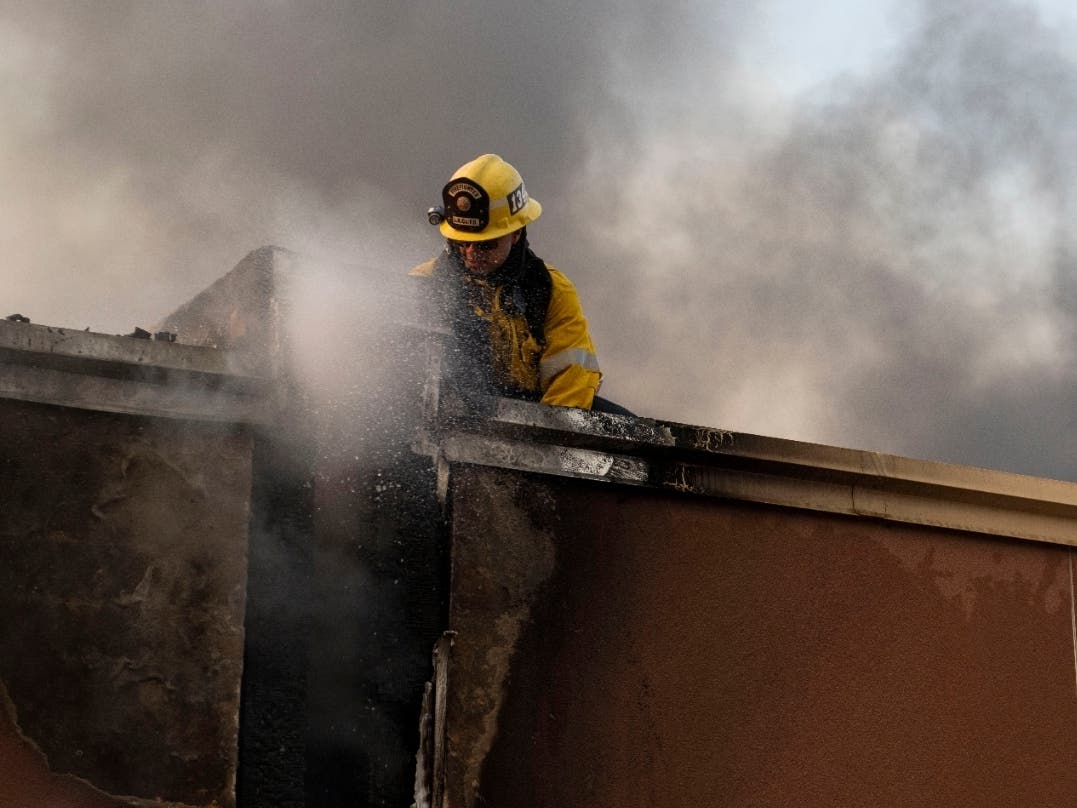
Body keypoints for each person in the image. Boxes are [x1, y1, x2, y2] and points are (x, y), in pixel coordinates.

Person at [410, 154, 604, 410]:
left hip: (536, 415)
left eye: (485, 245)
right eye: (460, 242)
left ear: (515, 233)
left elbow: (571, 382)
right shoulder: (424, 284)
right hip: (449, 412)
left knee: (639, 442)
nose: (470, 253)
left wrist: (539, 443)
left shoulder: (550, 289)